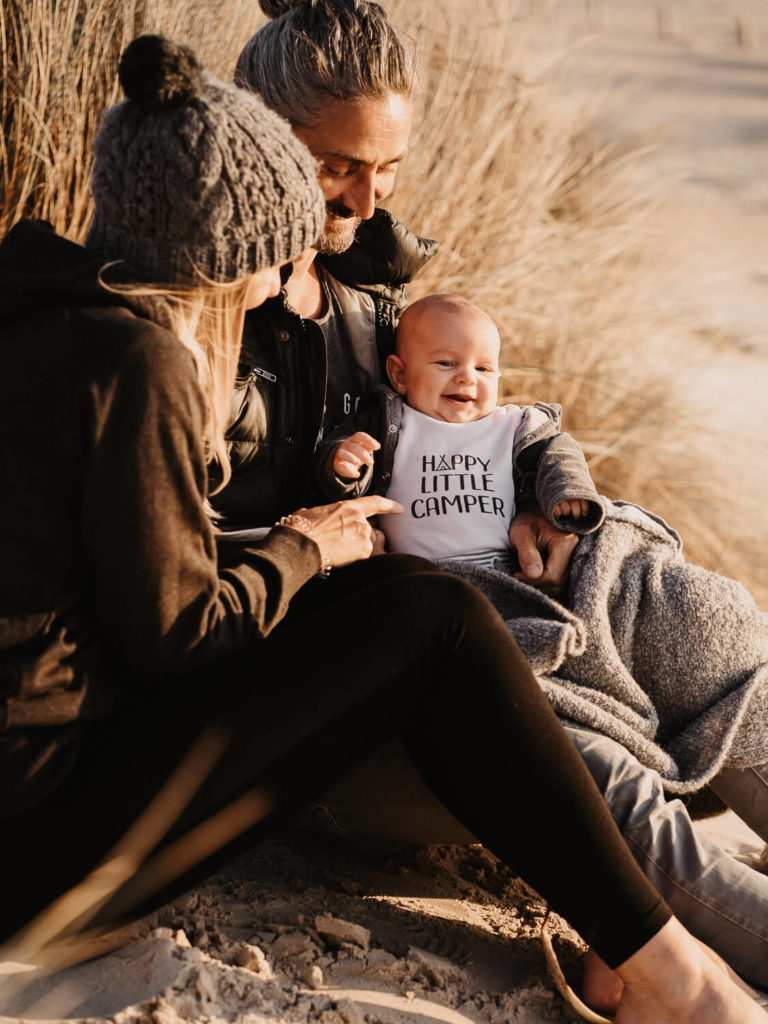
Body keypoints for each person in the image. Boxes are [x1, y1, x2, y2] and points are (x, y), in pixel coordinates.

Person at [1, 31, 760, 1024]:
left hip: (56, 783)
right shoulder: (136, 366)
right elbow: (173, 638)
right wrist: (303, 547)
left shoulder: (53, 319)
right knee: (445, 632)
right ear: (222, 245)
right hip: (43, 838)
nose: (284, 277)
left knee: (510, 608)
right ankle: (679, 977)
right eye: (272, 249)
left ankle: (666, 961)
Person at [230, 0, 768, 994]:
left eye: (385, 170)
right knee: (569, 752)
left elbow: (477, 443)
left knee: (680, 602)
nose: (363, 200)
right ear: (256, 138)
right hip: (370, 697)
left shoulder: (371, 312)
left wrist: (545, 513)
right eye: (336, 166)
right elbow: (180, 588)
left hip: (481, 600)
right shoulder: (206, 324)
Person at [320, 292, 768, 1000]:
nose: (470, 379)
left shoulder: (510, 427)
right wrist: (342, 473)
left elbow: (556, 459)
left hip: (520, 576)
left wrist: (564, 505)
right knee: (602, 763)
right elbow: (338, 472)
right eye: (447, 363)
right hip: (445, 608)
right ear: (401, 373)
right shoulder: (386, 423)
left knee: (714, 632)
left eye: (486, 367)